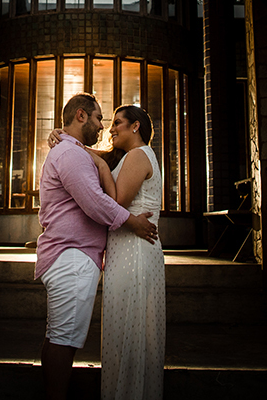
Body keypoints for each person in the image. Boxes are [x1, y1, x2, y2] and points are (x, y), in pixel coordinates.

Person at [36, 93, 158, 400]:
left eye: (113, 121)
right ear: (81, 115)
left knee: (60, 335)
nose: (104, 126)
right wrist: (133, 221)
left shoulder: (75, 151)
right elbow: (95, 202)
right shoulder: (71, 154)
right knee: (64, 338)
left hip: (77, 256)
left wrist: (64, 138)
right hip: (72, 257)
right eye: (100, 118)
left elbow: (101, 174)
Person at [98, 105, 166, 400]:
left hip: (134, 254)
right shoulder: (131, 157)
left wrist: (99, 165)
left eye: (118, 123)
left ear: (135, 126)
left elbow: (118, 200)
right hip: (127, 249)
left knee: (130, 329)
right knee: (124, 327)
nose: (111, 129)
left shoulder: (139, 156)